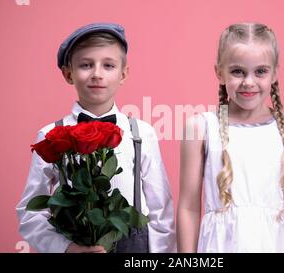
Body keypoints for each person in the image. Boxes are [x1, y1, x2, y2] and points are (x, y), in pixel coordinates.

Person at [16, 23, 176, 253]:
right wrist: (66, 248)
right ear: (68, 74)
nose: (97, 74)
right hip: (76, 244)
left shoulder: (141, 133)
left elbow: (161, 210)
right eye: (86, 65)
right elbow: (30, 212)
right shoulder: (51, 134)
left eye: (108, 65)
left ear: (123, 74)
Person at [177, 23, 284, 252]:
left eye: (260, 71)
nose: (249, 82)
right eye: (237, 71)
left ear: (274, 73)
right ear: (219, 73)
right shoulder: (200, 128)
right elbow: (188, 208)